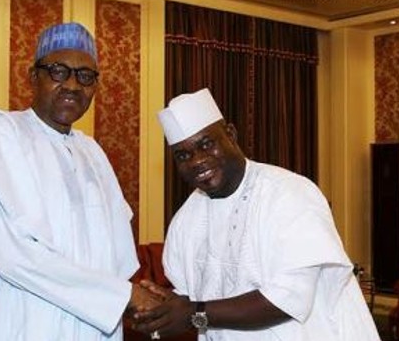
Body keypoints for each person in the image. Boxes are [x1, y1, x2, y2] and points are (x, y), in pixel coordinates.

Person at [0, 22, 159, 340]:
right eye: (58, 71)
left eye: (85, 76)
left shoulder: (92, 152)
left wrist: (135, 295)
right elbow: (12, 256)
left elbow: (115, 254)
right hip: (22, 321)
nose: (73, 85)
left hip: (92, 327)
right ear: (34, 77)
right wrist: (123, 296)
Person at [133, 88, 380, 340]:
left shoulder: (290, 194)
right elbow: (189, 298)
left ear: (230, 135)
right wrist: (163, 308)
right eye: (183, 155)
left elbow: (287, 300)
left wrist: (192, 313)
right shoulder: (186, 220)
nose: (197, 160)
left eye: (206, 144)